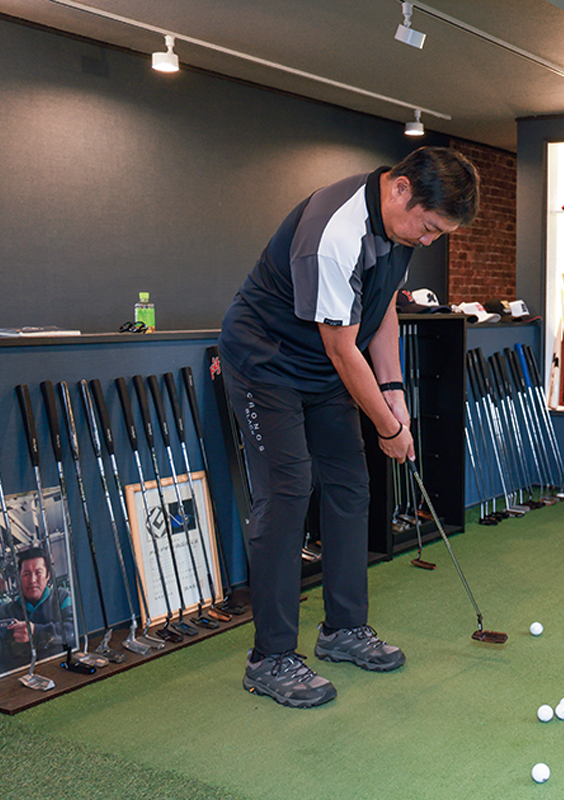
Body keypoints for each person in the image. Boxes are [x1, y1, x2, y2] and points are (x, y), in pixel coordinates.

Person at [217, 146, 479, 708]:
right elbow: (341, 348)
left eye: (439, 234)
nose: (428, 240)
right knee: (288, 492)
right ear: (402, 189)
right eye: (429, 227)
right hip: (265, 363)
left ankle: (342, 629)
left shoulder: (399, 230)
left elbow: (379, 310)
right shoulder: (334, 232)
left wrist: (394, 393)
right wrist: (388, 427)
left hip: (324, 367)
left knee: (350, 486)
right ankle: (270, 657)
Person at [0, 547, 74, 676]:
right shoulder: (5, 613)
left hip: (62, 673)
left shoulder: (63, 598)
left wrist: (36, 632)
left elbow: (73, 632)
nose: (32, 580)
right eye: (26, 574)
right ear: (18, 577)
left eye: (38, 573)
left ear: (48, 575)